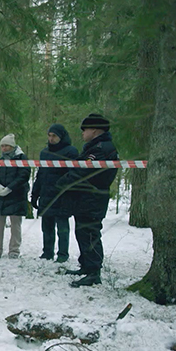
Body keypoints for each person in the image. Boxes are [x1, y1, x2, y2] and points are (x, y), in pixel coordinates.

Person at [56, 113, 119, 287]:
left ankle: (93, 272)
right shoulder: (94, 147)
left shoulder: (100, 149)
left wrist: (62, 182)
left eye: (85, 129)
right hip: (86, 197)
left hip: (93, 197)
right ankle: (85, 265)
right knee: (82, 233)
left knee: (90, 234)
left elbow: (84, 172)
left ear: (95, 130)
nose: (83, 133)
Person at [31, 124, 78, 263]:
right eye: (49, 136)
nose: (51, 139)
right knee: (47, 227)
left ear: (61, 137)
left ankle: (63, 254)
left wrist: (63, 187)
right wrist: (35, 194)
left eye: (54, 136)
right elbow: (40, 174)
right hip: (46, 195)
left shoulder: (71, 152)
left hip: (62, 196)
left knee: (62, 228)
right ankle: (47, 252)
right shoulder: (44, 153)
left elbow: (74, 174)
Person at [0, 134, 31, 259]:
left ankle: (14, 250)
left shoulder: (22, 158)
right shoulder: (1, 159)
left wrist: (10, 188)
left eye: (6, 145)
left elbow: (23, 175)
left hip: (17, 196)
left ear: (12, 146)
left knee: (15, 225)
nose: (4, 148)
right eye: (2, 146)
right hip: (0, 197)